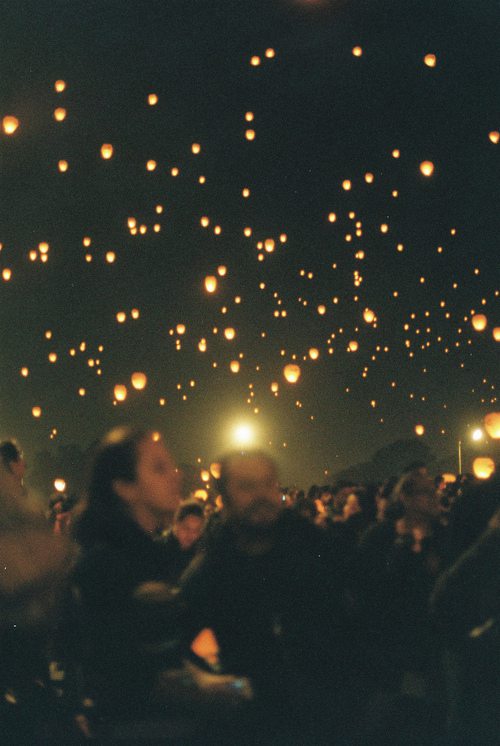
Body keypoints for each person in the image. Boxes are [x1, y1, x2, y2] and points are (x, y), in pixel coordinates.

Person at [71, 427, 250, 739]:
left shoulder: (148, 552)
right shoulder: (110, 563)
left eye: (171, 465)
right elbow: (138, 675)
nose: (175, 475)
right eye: (159, 468)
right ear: (125, 487)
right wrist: (234, 687)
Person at [180, 450, 352, 744]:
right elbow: (181, 645)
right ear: (225, 498)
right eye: (247, 487)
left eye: (267, 484)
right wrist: (228, 685)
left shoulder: (318, 549)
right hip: (251, 725)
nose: (261, 495)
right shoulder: (213, 570)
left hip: (330, 719)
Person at [161, 499, 206, 585]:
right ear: (176, 524)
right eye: (186, 528)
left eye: (196, 530)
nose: (191, 535)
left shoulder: (200, 556)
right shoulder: (158, 550)